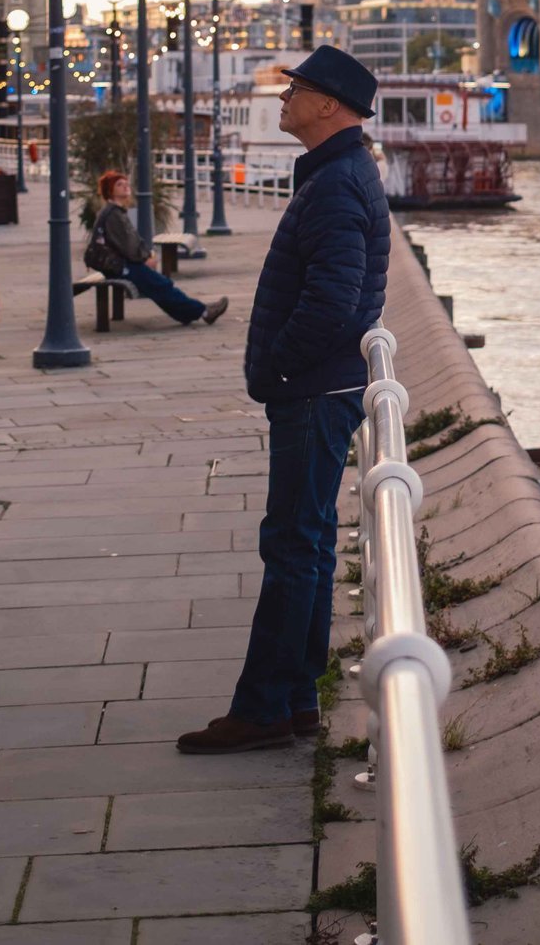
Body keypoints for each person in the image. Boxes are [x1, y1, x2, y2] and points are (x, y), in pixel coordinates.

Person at [179, 47, 388, 755]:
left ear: (328, 105)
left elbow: (331, 303)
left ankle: (265, 707)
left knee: (292, 544)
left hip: (314, 391)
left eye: (295, 89)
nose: (283, 97)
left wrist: (279, 364)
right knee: (310, 540)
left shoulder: (333, 187)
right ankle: (297, 698)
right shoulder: (340, 173)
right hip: (324, 386)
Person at [87, 173, 229, 327]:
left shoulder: (116, 211)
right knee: (160, 284)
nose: (126, 186)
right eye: (119, 184)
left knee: (160, 285)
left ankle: (191, 313)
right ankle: (203, 312)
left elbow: (130, 243)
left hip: (121, 264)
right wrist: (145, 259)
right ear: (110, 190)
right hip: (118, 266)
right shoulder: (112, 214)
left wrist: (146, 256)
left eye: (126, 183)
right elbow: (127, 246)